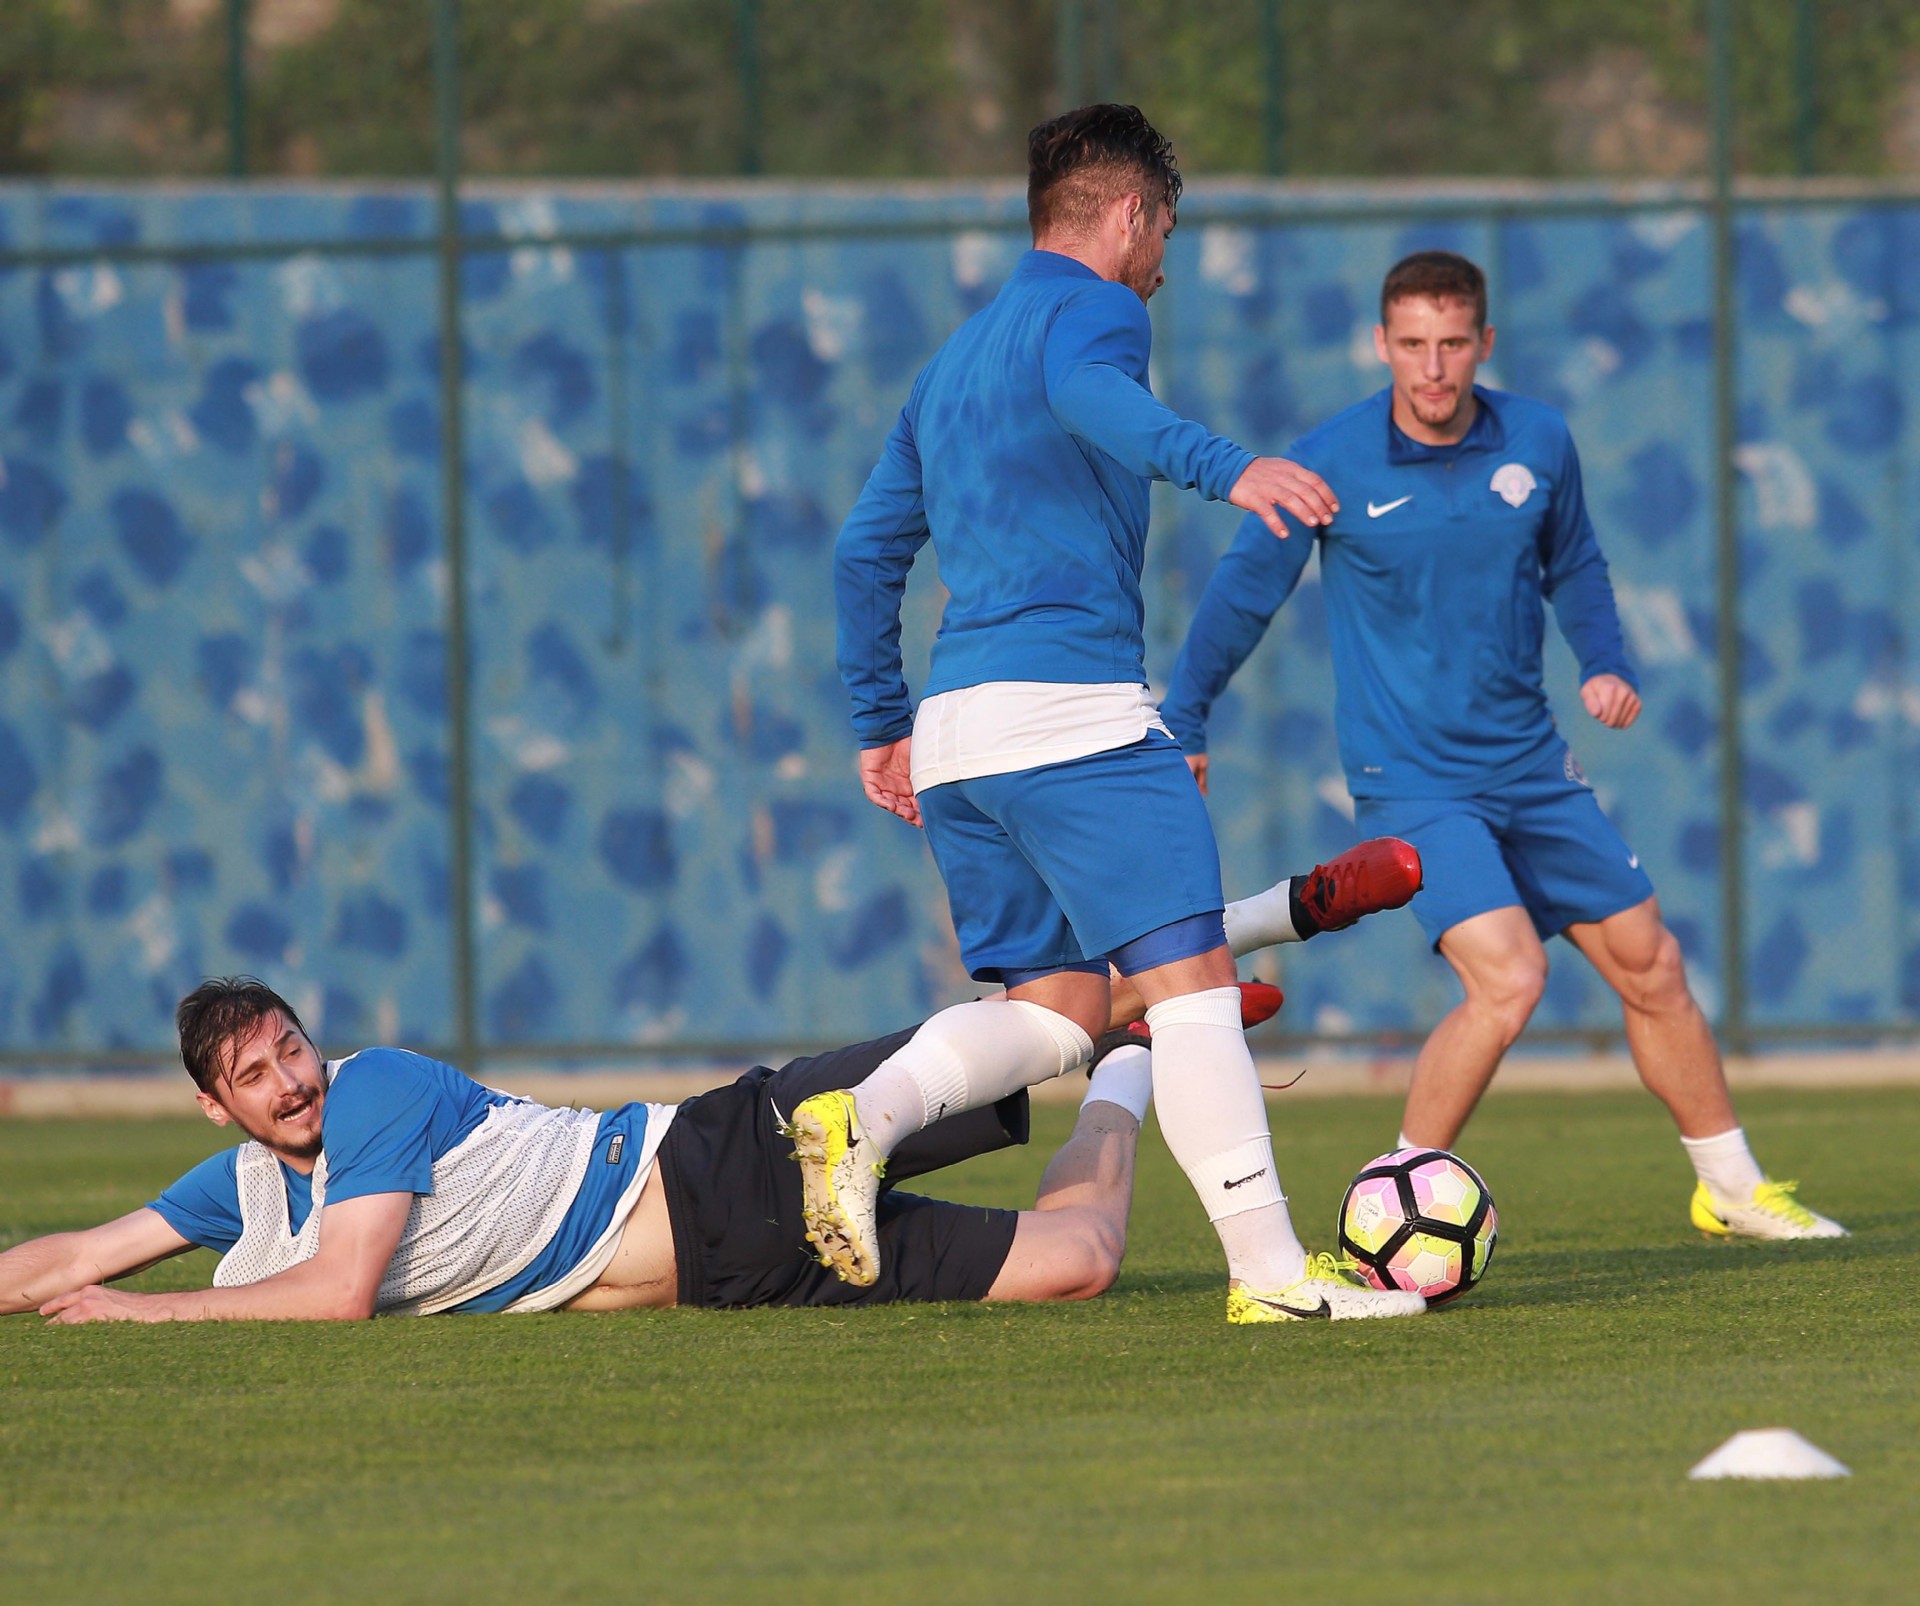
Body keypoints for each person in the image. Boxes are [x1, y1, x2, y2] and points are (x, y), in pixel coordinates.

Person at [828, 101, 1426, 1324]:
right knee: (1193, 986)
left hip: (958, 736)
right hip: (1071, 711)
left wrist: (882, 721)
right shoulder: (1098, 312)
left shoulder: (950, 362)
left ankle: (863, 1115)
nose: (1162, 264)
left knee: (1060, 1013)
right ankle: (1271, 1274)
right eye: (1165, 235)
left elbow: (860, 553)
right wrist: (1229, 466)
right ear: (1129, 214)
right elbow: (1095, 396)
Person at [1161, 249, 1845, 1242]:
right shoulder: (1328, 461)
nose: (1433, 367)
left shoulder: (1539, 439)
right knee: (1511, 978)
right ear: (1381, 344)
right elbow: (1240, 596)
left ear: (1484, 342)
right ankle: (1384, 1213)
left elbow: (1578, 564)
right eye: (1412, 345)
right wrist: (1186, 719)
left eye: (1452, 344)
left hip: (1532, 767)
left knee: (1653, 965)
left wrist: (1604, 662)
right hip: (1413, 782)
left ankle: (1732, 1188)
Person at [1, 849, 1414, 1325]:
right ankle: (1147, 1049)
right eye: (255, 1074)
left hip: (720, 1160)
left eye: (289, 1046)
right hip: (740, 1267)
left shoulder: (372, 1093)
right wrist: (74, 1285)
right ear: (220, 1107)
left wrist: (142, 1315)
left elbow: (339, 1291)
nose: (289, 1078)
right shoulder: (247, 1184)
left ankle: (1269, 914)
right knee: (1085, 1256)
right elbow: (71, 1253)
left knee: (1037, 1014)